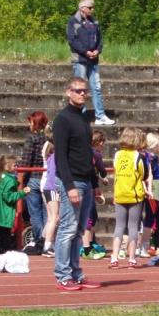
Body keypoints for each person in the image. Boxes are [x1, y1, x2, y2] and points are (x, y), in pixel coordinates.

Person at [52, 77, 103, 291]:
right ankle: (63, 275)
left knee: (79, 230)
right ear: (68, 92)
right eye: (78, 90)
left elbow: (87, 155)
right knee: (68, 229)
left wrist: (94, 183)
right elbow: (60, 156)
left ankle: (75, 272)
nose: (82, 94)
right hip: (72, 181)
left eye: (84, 91)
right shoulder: (62, 120)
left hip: (85, 181)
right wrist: (69, 185)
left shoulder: (83, 119)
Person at [66, 0, 114, 126]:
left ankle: (100, 116)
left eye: (92, 7)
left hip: (93, 60)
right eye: (90, 8)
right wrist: (85, 52)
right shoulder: (73, 21)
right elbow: (72, 40)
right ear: (82, 8)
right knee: (79, 89)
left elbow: (100, 39)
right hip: (80, 60)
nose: (92, 10)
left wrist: (98, 50)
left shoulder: (94, 22)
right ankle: (80, 116)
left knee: (96, 88)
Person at [110, 127, 149, 269]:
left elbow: (115, 170)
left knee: (119, 225)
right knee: (133, 226)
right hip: (134, 194)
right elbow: (144, 174)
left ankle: (114, 257)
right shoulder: (139, 156)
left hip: (120, 193)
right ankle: (131, 258)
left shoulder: (117, 154)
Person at [20, 111, 49, 254]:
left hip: (34, 178)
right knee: (47, 213)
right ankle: (47, 240)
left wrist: (21, 180)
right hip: (47, 178)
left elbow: (26, 161)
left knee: (35, 213)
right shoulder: (49, 138)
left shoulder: (32, 138)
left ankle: (39, 241)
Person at [0, 155, 30, 254]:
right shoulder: (9, 180)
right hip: (5, 209)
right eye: (14, 165)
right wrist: (22, 193)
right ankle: (4, 248)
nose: (16, 167)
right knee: (5, 231)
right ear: (6, 166)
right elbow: (8, 197)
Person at [81, 129, 108, 260]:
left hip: (82, 185)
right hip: (88, 187)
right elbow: (102, 170)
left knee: (92, 216)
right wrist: (103, 175)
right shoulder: (96, 154)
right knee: (89, 217)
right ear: (98, 142)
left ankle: (90, 243)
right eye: (102, 142)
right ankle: (86, 248)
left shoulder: (84, 151)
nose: (103, 145)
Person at [39, 128, 58, 258]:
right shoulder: (54, 157)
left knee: (52, 218)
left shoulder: (50, 155)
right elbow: (53, 175)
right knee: (54, 218)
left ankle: (46, 242)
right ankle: (47, 245)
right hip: (52, 187)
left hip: (48, 186)